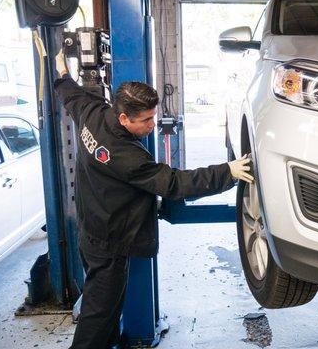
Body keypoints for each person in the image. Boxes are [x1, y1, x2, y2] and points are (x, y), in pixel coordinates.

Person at [53, 50, 253, 349]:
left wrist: (62, 74)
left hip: (91, 228)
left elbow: (71, 95)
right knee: (98, 315)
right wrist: (228, 171)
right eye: (146, 120)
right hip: (109, 241)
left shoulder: (92, 113)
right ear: (123, 117)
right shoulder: (126, 156)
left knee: (106, 312)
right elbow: (174, 183)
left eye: (153, 116)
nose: (152, 125)